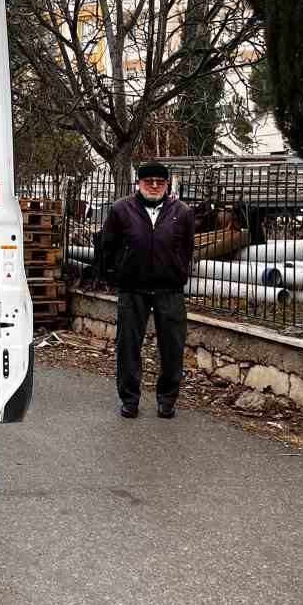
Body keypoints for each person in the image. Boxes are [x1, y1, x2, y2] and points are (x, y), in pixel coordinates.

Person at [96, 161, 196, 419]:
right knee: (128, 347)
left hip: (169, 289)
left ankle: (167, 400)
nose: (154, 185)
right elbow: (108, 246)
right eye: (148, 181)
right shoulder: (121, 209)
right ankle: (129, 400)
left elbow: (187, 248)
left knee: (173, 348)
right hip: (132, 288)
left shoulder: (182, 212)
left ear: (167, 184)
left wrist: (179, 272)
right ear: (138, 183)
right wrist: (116, 275)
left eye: (159, 182)